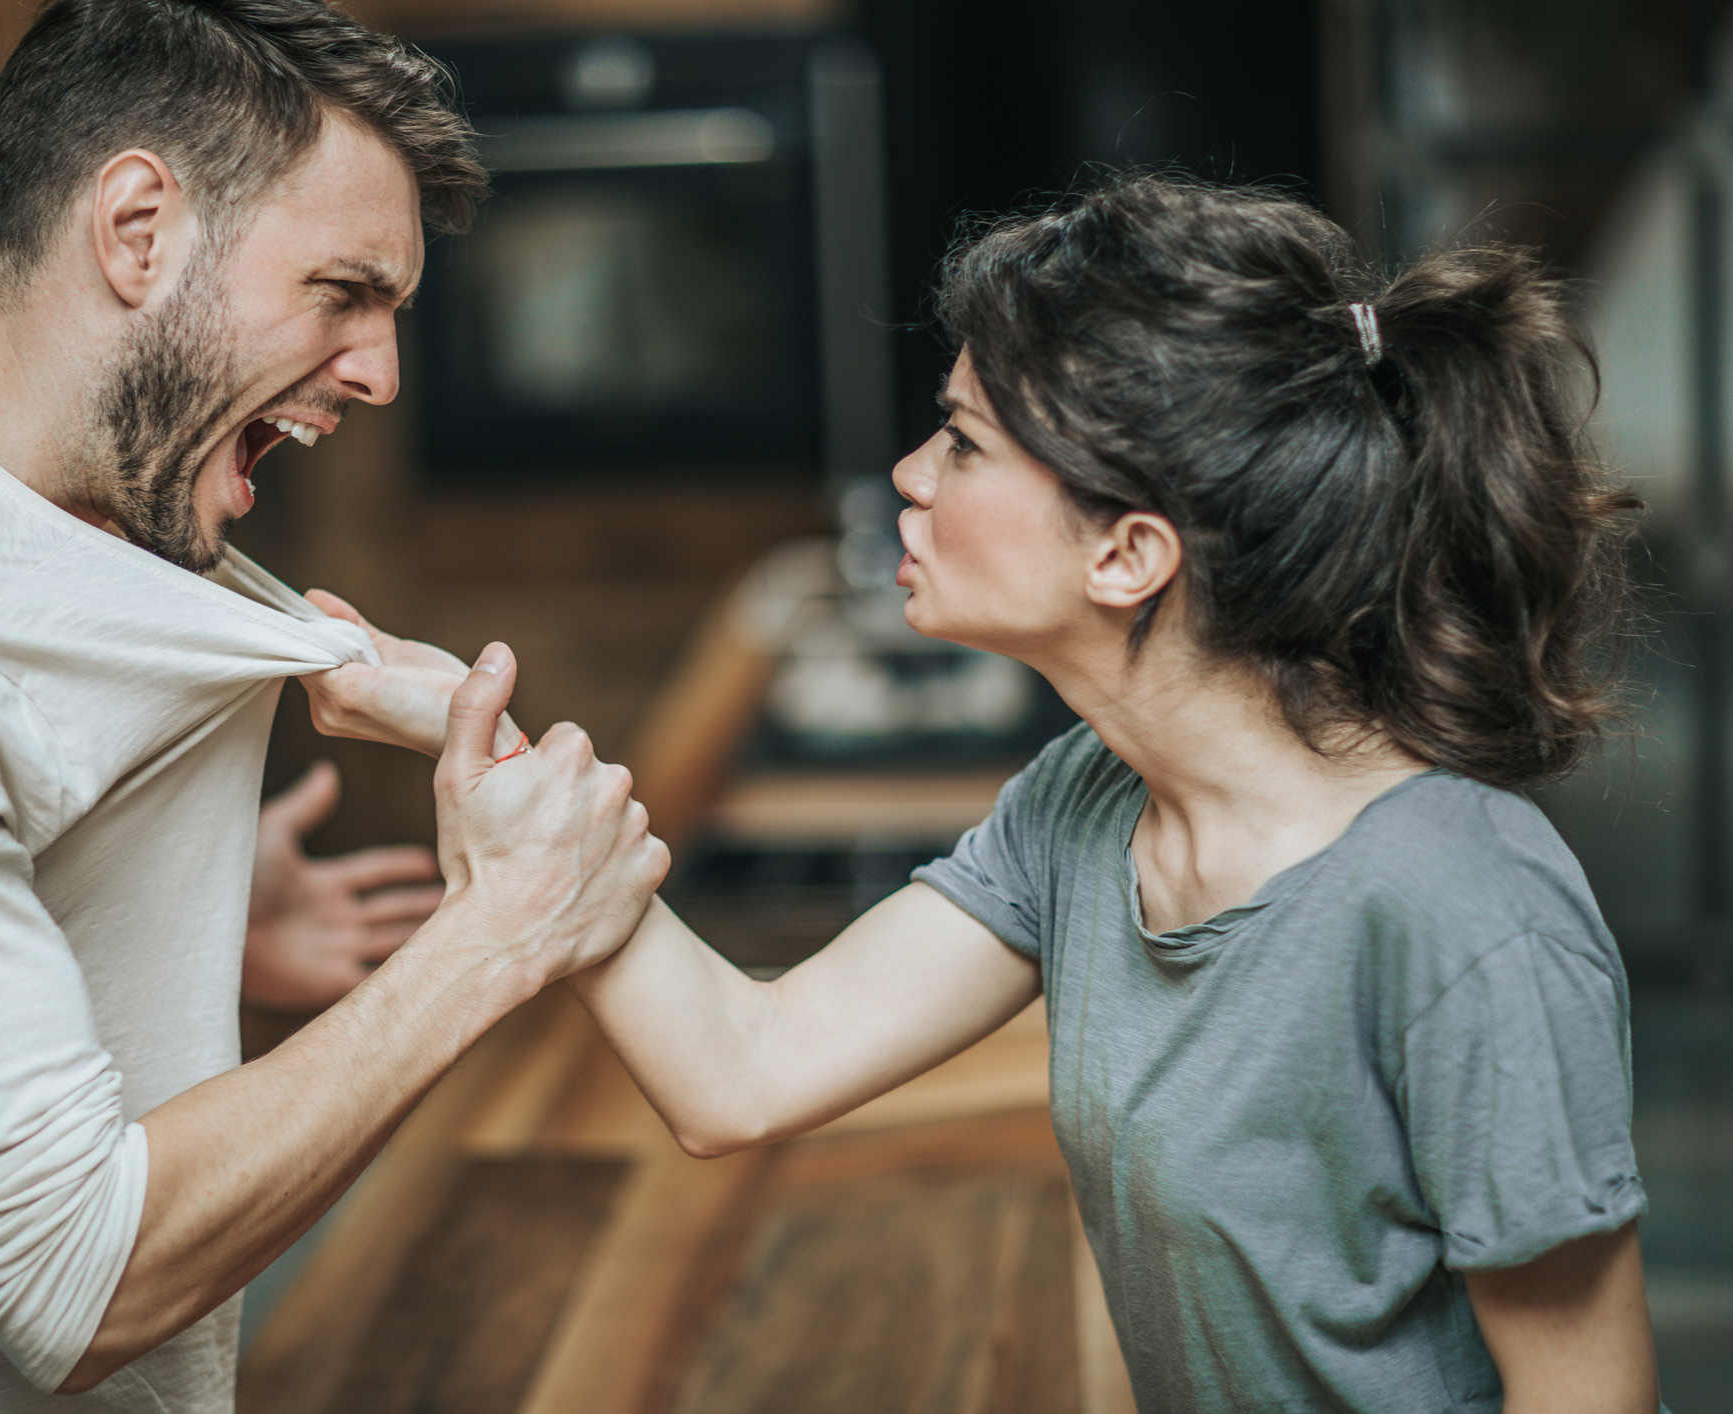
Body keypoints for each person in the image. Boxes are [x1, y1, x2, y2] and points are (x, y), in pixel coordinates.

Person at [0, 2, 665, 1410]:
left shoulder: (51, 502)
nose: (378, 372)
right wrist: (489, 941)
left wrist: (207, 924)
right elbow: (74, 1282)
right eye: (341, 292)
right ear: (136, 230)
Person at [562, 174, 1663, 1412]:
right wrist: (498, 775)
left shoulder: (1465, 908)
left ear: (1128, 553)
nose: (911, 475)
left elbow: (1589, 1394)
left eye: (964, 441)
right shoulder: (1088, 800)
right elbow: (741, 1072)